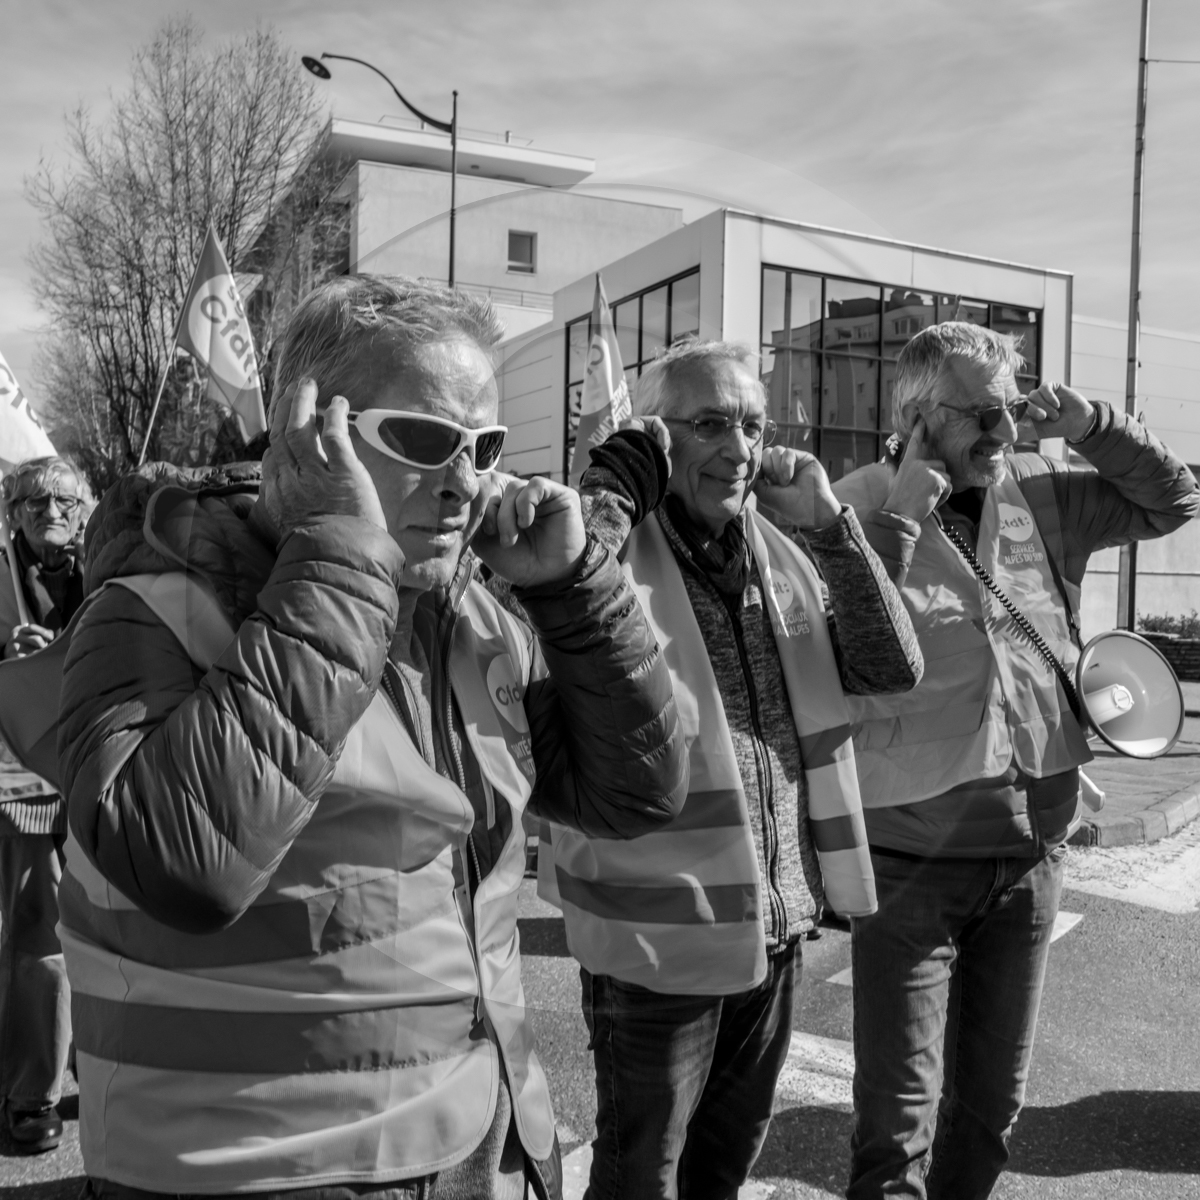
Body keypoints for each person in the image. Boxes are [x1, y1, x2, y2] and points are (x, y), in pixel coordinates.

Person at [55, 277, 689, 1199]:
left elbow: (636, 792)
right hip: (254, 1172)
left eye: (483, 447)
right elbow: (184, 863)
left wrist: (575, 586)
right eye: (425, 441)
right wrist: (344, 552)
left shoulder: (472, 616)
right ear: (308, 430)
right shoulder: (147, 611)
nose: (465, 482)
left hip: (481, 1140)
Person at [542, 338, 923, 1200]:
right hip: (657, 943)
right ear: (652, 437)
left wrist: (832, 528)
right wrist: (610, 493)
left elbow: (891, 666)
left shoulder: (780, 549)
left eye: (754, 425)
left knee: (721, 1173)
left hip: (774, 930)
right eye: (711, 424)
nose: (742, 449)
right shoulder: (607, 548)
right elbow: (545, 614)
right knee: (641, 1178)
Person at [832, 321, 1200, 1200]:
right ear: (916, 418)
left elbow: (1173, 503)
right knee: (895, 1128)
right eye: (981, 415)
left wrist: (1091, 424)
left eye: (1011, 410)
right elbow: (838, 654)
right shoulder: (852, 507)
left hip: (1033, 850)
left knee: (992, 1111)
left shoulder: (1038, 488)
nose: (1004, 432)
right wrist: (899, 518)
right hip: (909, 861)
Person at [0, 456, 91, 1153]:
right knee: (39, 928)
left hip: (97, 767)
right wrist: (8, 654)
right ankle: (33, 1091)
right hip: (22, 780)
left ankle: (104, 1061)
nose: (53, 512)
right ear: (13, 516)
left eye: (66, 500)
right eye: (36, 503)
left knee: (111, 924)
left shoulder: (109, 566)